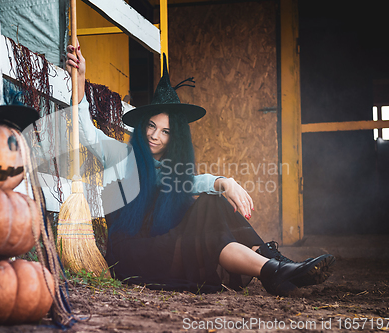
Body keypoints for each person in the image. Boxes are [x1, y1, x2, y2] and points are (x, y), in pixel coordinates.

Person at [65, 44, 335, 296]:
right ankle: (277, 267)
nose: (155, 136)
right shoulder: (121, 154)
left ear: (175, 138)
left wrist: (224, 182)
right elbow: (87, 133)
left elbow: (193, 182)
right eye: (151, 126)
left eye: (165, 131)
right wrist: (80, 81)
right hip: (133, 255)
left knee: (211, 203)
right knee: (209, 204)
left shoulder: (171, 171)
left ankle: (274, 269)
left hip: (167, 248)